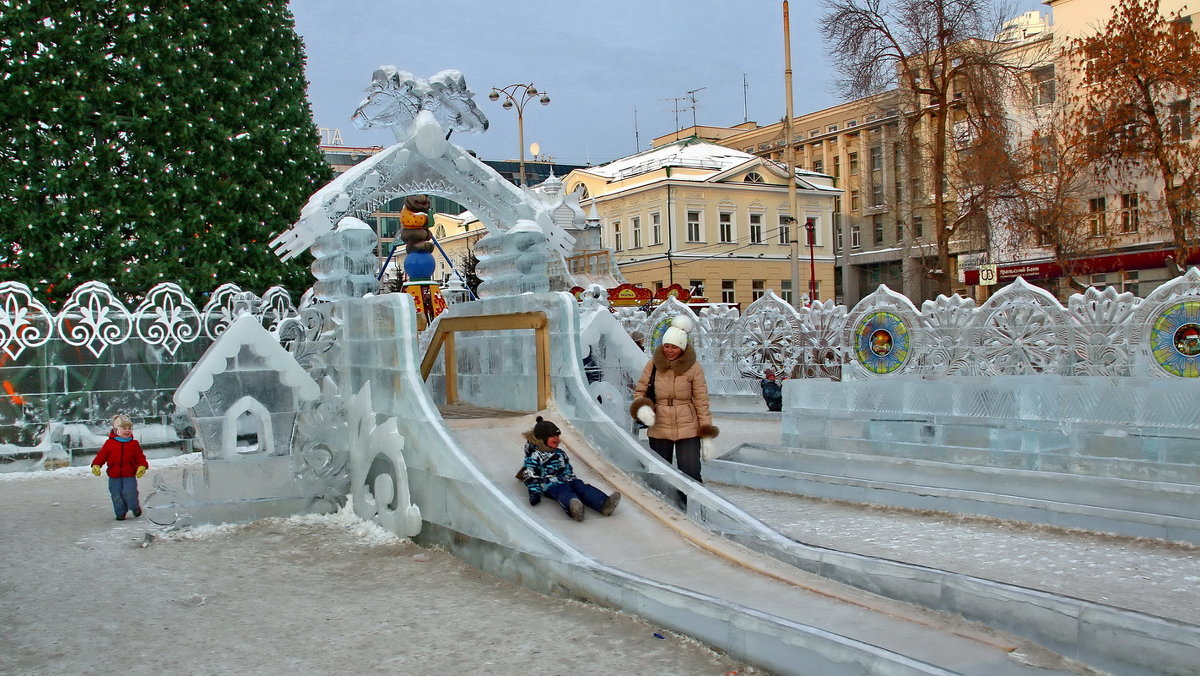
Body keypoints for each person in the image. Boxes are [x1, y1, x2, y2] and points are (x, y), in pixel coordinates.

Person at [629, 314, 719, 482]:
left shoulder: (693, 368)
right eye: (666, 346)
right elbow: (639, 391)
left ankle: (689, 506)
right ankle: (664, 506)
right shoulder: (653, 365)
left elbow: (701, 402)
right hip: (659, 425)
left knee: (691, 473)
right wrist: (643, 409)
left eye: (674, 347)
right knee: (660, 475)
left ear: (683, 348)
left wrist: (706, 435)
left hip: (688, 427)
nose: (669, 350)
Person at [516, 416, 620, 522]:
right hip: (550, 483)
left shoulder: (560, 453)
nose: (557, 439)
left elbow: (567, 467)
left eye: (557, 435)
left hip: (568, 479)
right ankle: (574, 509)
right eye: (552, 436)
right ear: (542, 439)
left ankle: (603, 504)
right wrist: (534, 493)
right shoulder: (535, 455)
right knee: (564, 492)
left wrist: (571, 478)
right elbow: (531, 475)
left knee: (582, 487)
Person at [91, 414, 149, 521]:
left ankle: (134, 506)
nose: (127, 431)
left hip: (129, 475)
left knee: (130, 492)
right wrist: (96, 465)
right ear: (116, 429)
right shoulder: (109, 444)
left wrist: (142, 466)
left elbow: (140, 456)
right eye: (124, 428)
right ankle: (120, 512)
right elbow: (101, 456)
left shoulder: (134, 444)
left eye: (129, 428)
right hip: (114, 476)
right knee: (116, 495)